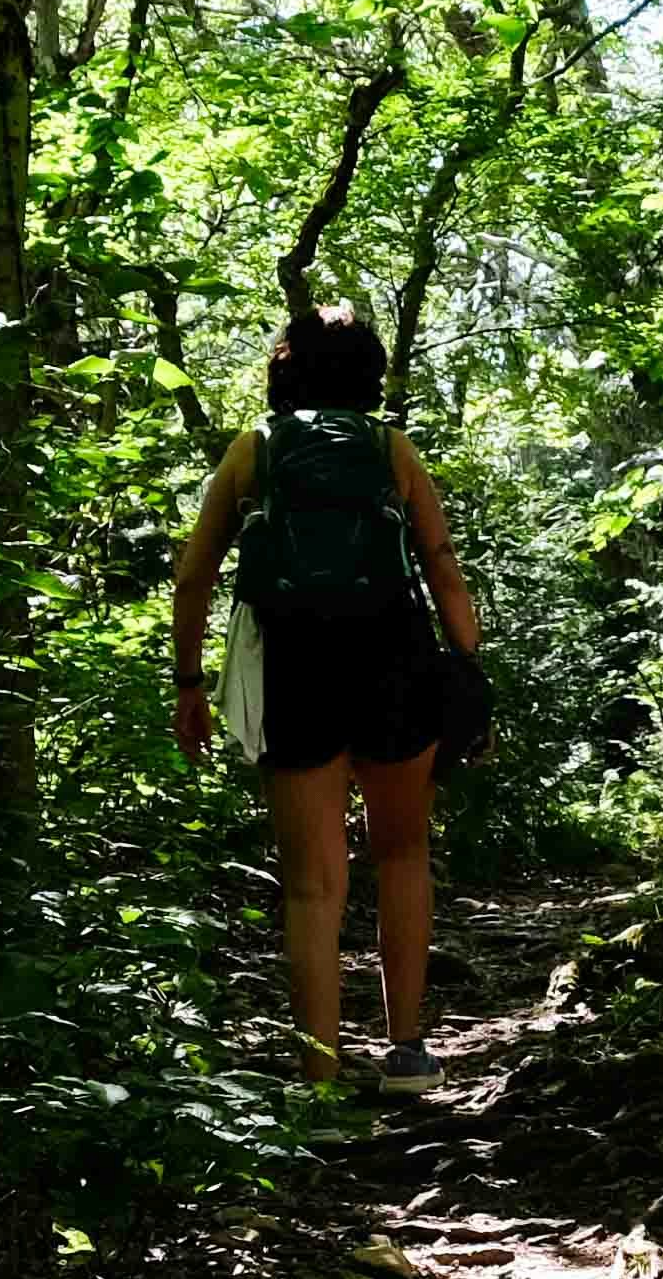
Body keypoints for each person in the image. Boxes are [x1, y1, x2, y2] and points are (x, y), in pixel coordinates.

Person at [170, 305, 488, 1091]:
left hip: (294, 666)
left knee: (312, 881)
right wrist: (469, 664)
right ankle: (407, 1049)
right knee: (403, 851)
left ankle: (317, 1071)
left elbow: (192, 578)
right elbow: (441, 564)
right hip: (394, 656)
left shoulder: (254, 451)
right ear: (369, 375)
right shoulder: (391, 448)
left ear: (285, 369)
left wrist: (189, 684)